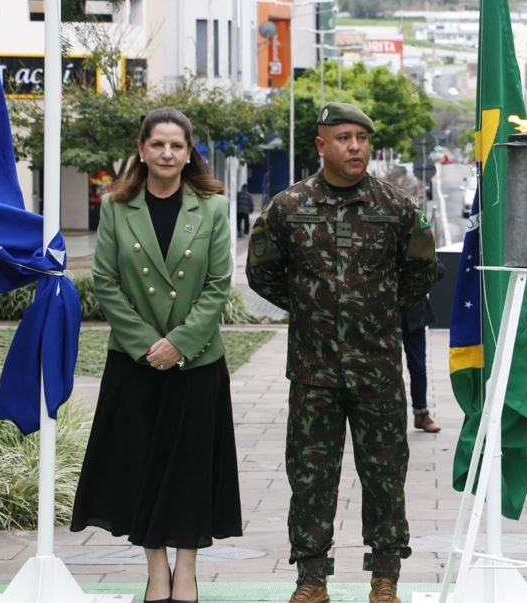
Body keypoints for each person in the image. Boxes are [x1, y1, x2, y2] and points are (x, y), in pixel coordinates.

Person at [246, 102, 439, 603]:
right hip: (314, 372)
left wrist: (374, 310)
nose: (355, 147)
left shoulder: (396, 208)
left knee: (385, 475)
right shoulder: (288, 208)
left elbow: (421, 272)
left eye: (362, 138)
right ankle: (311, 579)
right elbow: (262, 274)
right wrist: (314, 308)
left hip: (376, 369)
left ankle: (385, 577)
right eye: (344, 137)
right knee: (311, 478)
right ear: (321, 145)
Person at [71, 107, 242, 603]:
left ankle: (186, 570)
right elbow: (105, 281)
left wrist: (180, 344)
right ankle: (155, 570)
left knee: (190, 468)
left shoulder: (210, 207)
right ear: (142, 150)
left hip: (197, 361)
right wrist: (149, 345)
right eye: (158, 144)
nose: (167, 153)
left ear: (190, 154)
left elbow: (217, 285)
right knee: (140, 464)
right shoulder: (116, 206)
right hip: (135, 360)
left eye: (177, 145)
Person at [402, 261, 445, 433]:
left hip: (415, 316)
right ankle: (387, 415)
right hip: (385, 314)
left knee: (418, 368)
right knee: (387, 369)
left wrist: (417, 275)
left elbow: (440, 269)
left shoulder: (418, 242)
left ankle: (421, 414)